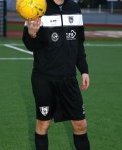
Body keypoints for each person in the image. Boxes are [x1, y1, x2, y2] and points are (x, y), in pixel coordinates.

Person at [22, 0, 90, 149]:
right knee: (43, 124)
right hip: (44, 78)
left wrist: (84, 70)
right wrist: (32, 34)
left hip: (69, 78)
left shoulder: (74, 7)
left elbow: (78, 42)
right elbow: (29, 45)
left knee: (80, 125)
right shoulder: (36, 8)